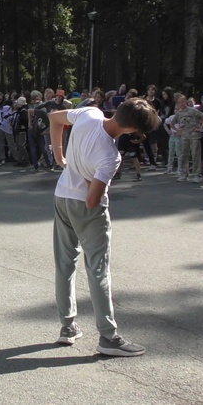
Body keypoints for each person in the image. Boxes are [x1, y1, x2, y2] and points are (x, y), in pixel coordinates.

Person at [49, 98, 159, 357]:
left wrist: (59, 154)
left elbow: (54, 117)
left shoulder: (89, 113)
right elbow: (92, 200)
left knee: (65, 265)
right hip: (86, 209)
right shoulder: (110, 156)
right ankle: (108, 337)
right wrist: (89, 178)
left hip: (62, 196)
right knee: (97, 268)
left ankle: (67, 327)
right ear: (132, 130)